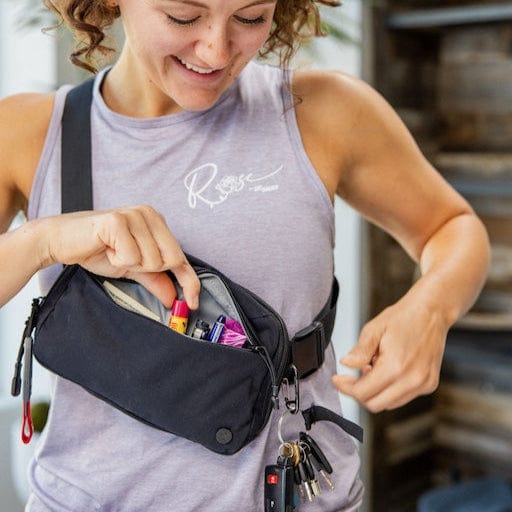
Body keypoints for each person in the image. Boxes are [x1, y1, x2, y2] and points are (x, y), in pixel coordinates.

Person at [0, 0, 490, 510]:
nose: (215, 50)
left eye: (250, 17)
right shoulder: (26, 133)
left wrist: (430, 309)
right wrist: (44, 240)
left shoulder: (323, 111)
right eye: (183, 17)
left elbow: (452, 228)